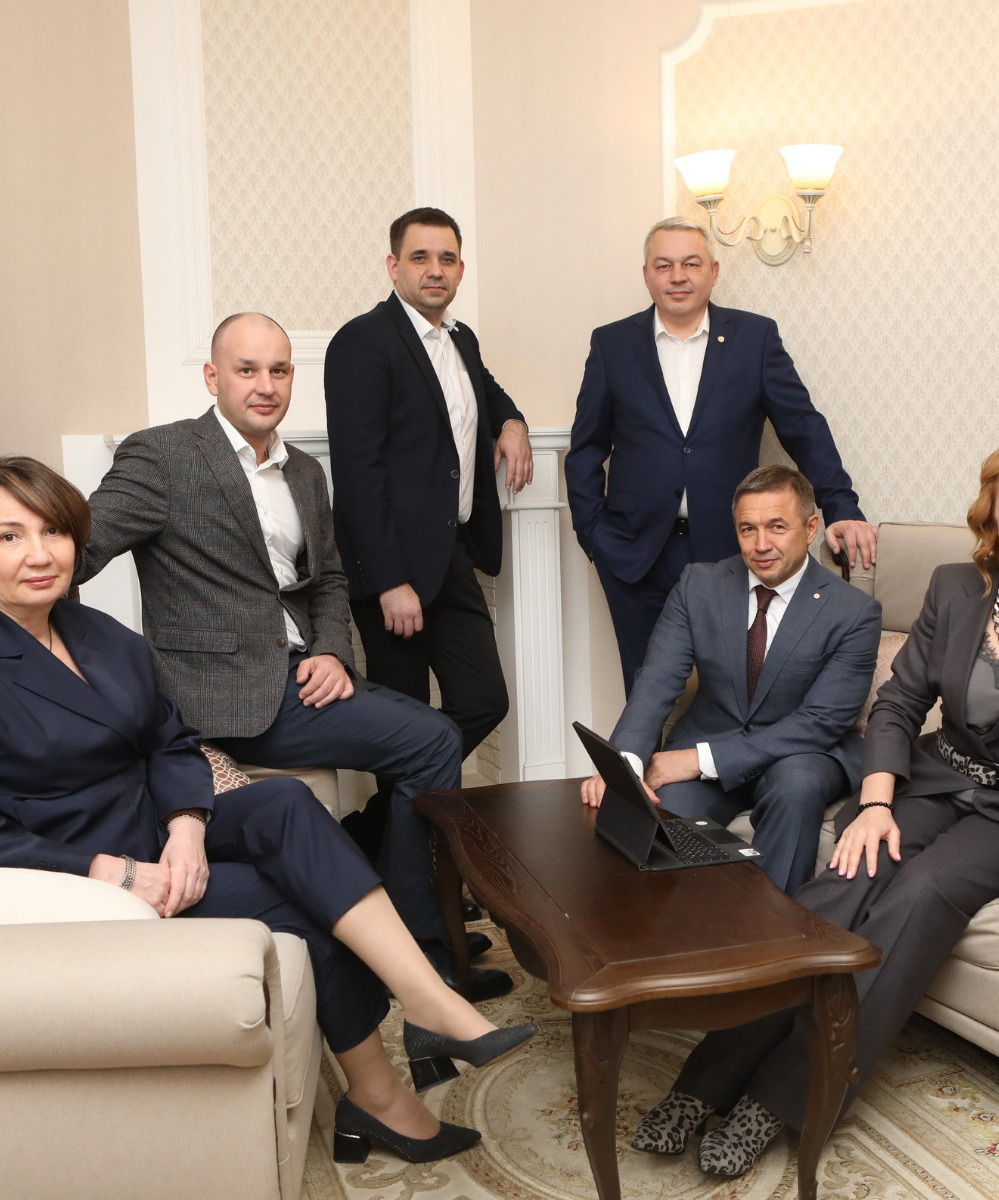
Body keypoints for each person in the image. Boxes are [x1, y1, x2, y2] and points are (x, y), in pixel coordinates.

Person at [0, 457, 535, 1164]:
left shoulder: (99, 634)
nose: (40, 554)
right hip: (82, 872)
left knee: (286, 801)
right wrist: (115, 873)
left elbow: (170, 742)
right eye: (9, 537)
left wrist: (187, 826)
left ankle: (424, 1001)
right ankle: (378, 1096)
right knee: (297, 900)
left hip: (153, 831)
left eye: (53, 531)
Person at [629, 434, 999, 1179]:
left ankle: (783, 1098)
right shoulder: (956, 589)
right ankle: (703, 1083)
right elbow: (898, 704)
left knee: (916, 895)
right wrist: (875, 803)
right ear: (993, 519)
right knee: (840, 886)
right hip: (932, 780)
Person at [73, 311, 513, 1001]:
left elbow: (329, 579)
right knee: (431, 741)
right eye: (247, 370)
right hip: (223, 693)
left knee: (429, 739)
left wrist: (334, 650)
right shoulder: (162, 456)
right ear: (213, 376)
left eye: (278, 370)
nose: (265, 385)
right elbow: (81, 546)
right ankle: (423, 958)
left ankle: (403, 923)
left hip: (303, 675)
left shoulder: (304, 472)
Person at [566, 217, 879, 690]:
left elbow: (803, 428)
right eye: (664, 265)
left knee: (736, 688)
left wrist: (842, 505)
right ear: (647, 275)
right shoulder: (612, 345)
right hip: (634, 553)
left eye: (691, 264)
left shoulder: (755, 338)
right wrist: (594, 535)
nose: (678, 276)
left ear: (713, 272)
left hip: (731, 548)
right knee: (648, 689)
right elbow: (586, 448)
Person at [579, 465, 881, 893]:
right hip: (710, 735)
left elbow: (820, 722)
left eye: (777, 527)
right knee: (658, 820)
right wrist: (624, 768)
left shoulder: (853, 612)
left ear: (811, 527)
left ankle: (774, 924)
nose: (761, 545)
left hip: (799, 753)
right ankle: (687, 927)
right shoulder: (698, 585)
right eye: (747, 529)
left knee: (797, 786)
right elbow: (657, 680)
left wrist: (700, 759)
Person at [324, 207, 531, 761]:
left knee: (484, 699)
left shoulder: (460, 340)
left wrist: (512, 423)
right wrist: (391, 581)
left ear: (461, 269)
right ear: (394, 267)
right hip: (392, 566)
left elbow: (487, 393)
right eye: (420, 257)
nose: (435, 269)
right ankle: (402, 818)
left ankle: (392, 806)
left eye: (447, 258)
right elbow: (357, 473)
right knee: (404, 713)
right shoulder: (361, 342)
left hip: (452, 555)